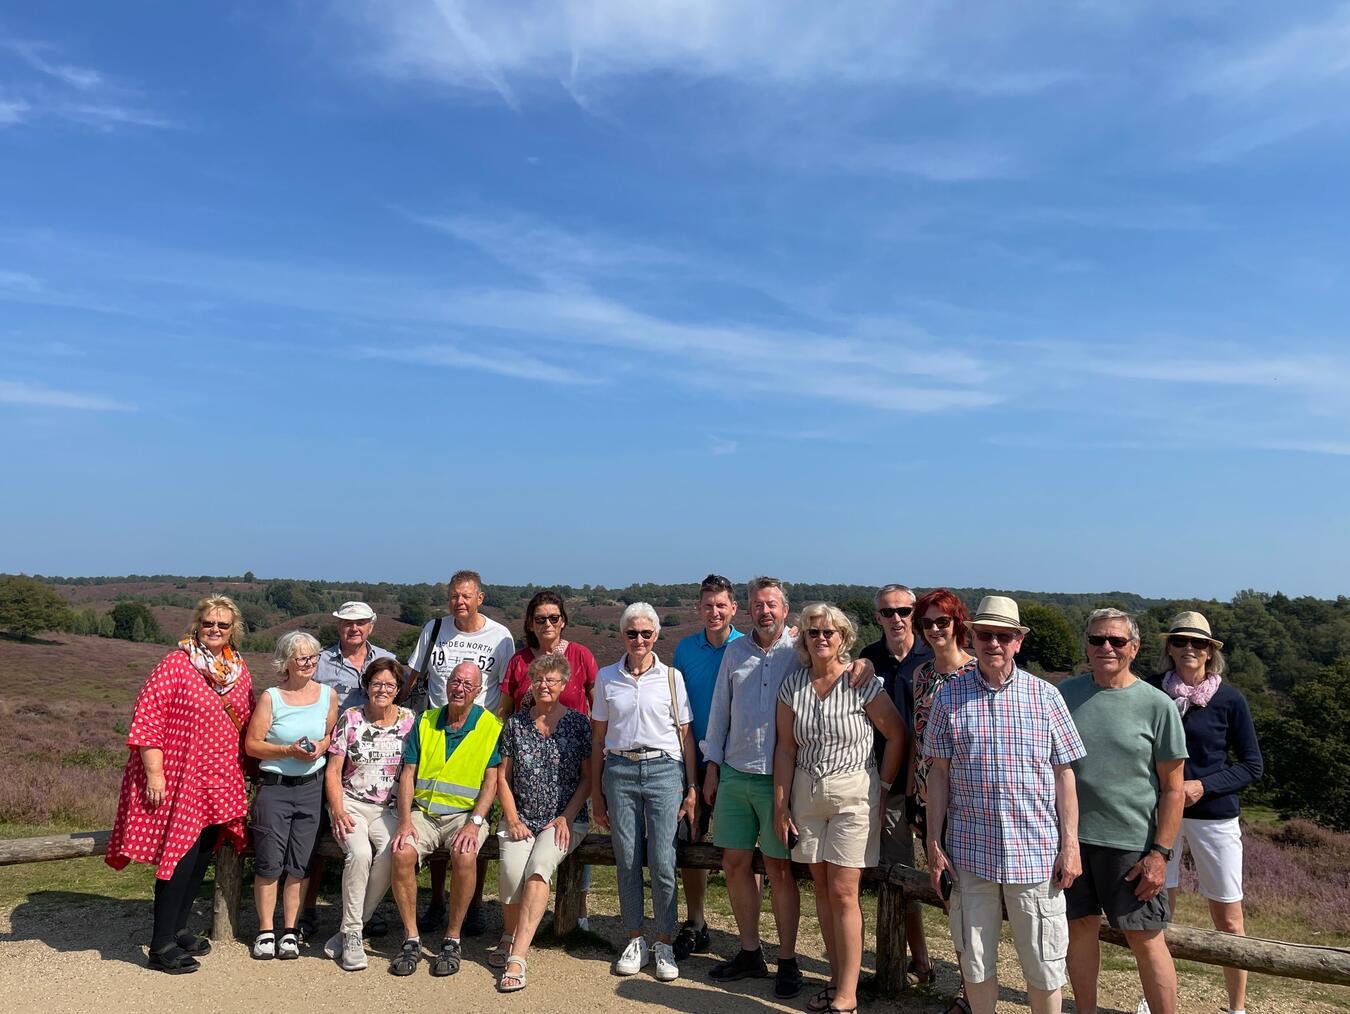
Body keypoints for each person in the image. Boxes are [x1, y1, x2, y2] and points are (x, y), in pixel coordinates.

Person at [924, 595, 1085, 1014]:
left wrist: (1071, 845)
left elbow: (1064, 775)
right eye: (985, 634)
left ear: (1017, 642)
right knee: (975, 962)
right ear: (972, 638)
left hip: (1035, 854)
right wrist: (933, 844)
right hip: (968, 852)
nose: (993, 643)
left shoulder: (1046, 697)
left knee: (1044, 965)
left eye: (1003, 636)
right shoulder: (948, 697)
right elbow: (938, 775)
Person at [107, 595, 256, 974]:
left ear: (233, 629)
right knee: (180, 857)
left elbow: (249, 721)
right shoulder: (175, 664)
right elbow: (147, 719)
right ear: (197, 624)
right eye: (209, 623)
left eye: (223, 625)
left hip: (220, 778)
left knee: (203, 854)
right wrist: (155, 773)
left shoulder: (238, 668)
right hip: (179, 777)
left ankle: (178, 927)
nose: (215, 630)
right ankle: (160, 945)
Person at [774, 602, 906, 1014]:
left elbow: (897, 735)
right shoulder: (792, 685)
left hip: (854, 792)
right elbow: (786, 748)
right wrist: (782, 806)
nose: (822, 638)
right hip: (806, 793)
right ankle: (836, 979)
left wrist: (882, 787)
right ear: (804, 639)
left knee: (845, 891)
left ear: (843, 637)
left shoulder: (862, 682)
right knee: (823, 891)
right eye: (814, 632)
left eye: (830, 632)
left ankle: (847, 995)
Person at [1060, 608, 1188, 1014]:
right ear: (1087, 645)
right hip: (1072, 839)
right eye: (1097, 639)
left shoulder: (1158, 705)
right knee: (1078, 931)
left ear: (1134, 648)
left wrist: (1159, 854)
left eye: (1116, 640)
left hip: (1131, 846)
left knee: (1147, 939)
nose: (1106, 648)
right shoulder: (1063, 695)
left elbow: (1173, 788)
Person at [1149, 611, 1262, 1014]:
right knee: (1158, 912)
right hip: (1162, 815)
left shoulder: (1230, 700)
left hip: (1214, 816)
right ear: (1170, 648)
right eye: (1180, 641)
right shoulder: (1151, 692)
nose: (1189, 649)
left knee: (1229, 918)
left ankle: (1237, 1007)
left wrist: (1202, 786)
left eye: (1198, 643)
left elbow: (1252, 765)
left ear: (1211, 651)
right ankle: (1157, 1002)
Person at [700, 575, 802, 997]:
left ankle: (789, 960)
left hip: (781, 779)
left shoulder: (800, 650)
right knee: (734, 865)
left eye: (772, 604)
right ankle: (749, 950)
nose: (765, 611)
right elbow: (720, 710)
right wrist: (712, 766)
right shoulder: (736, 652)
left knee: (779, 870)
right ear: (749, 609)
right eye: (758, 605)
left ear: (785, 609)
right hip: (736, 773)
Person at [591, 602, 699, 983]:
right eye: (631, 633)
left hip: (664, 770)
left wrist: (691, 787)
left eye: (646, 633)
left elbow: (686, 737)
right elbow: (599, 737)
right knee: (628, 857)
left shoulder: (672, 677)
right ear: (621, 635)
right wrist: (596, 792)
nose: (639, 639)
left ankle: (665, 941)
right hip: (618, 769)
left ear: (656, 635)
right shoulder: (606, 677)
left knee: (664, 858)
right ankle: (635, 938)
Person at [402, 569, 514, 936]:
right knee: (432, 808)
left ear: (480, 598)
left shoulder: (500, 637)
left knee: (472, 826)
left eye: (466, 596)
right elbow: (413, 677)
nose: (459, 602)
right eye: (453, 596)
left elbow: (506, 687)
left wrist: (492, 729)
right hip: (435, 730)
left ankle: (475, 905)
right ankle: (436, 901)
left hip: (479, 735)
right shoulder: (434, 630)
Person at [387, 660, 502, 977]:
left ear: (478, 691)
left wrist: (475, 822)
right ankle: (411, 938)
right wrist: (405, 821)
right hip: (423, 814)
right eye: (455, 681)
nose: (459, 688)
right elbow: (408, 774)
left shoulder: (490, 727)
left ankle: (452, 938)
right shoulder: (425, 721)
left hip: (465, 815)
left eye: (468, 684)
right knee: (401, 852)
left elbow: (491, 782)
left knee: (465, 855)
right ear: (446, 684)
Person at [493, 654, 593, 992]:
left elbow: (587, 779)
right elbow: (502, 778)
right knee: (510, 873)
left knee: (537, 868)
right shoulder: (515, 725)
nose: (544, 685)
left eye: (551, 680)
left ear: (564, 685)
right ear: (531, 684)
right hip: (520, 816)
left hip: (563, 821)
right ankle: (509, 934)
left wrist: (565, 816)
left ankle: (518, 957)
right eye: (538, 679)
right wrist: (511, 817)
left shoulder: (579, 724)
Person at [304, 600, 396, 938]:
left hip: (371, 768)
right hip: (326, 758)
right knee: (314, 838)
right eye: (346, 623)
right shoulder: (321, 662)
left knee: (375, 848)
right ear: (338, 626)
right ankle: (307, 910)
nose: (353, 629)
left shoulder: (385, 660)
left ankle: (362, 917)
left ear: (371, 625)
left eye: (360, 623)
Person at [244, 631, 338, 961]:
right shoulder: (272, 697)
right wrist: (287, 750)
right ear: (286, 661)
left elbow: (330, 735)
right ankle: (265, 930)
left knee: (300, 864)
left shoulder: (328, 695)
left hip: (312, 788)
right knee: (269, 862)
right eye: (302, 658)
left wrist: (320, 748)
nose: (309, 663)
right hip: (275, 787)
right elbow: (252, 745)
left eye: (314, 657)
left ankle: (290, 932)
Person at [321, 658, 416, 971]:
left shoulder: (409, 720)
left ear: (398, 689)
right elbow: (333, 771)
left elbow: (411, 772)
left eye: (389, 685)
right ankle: (352, 937)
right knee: (360, 854)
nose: (383, 690)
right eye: (377, 684)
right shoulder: (350, 718)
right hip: (350, 803)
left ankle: (351, 928)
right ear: (366, 686)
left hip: (388, 808)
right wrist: (336, 809)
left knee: (393, 853)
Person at [860, 582, 934, 985]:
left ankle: (969, 977)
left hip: (934, 787)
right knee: (898, 873)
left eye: (904, 611)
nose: (896, 619)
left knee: (950, 876)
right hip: (887, 785)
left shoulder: (935, 655)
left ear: (914, 614)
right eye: (887, 612)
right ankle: (917, 960)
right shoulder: (868, 659)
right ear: (878, 618)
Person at [669, 573, 743, 962]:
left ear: (733, 608)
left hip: (738, 762)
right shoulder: (684, 650)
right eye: (707, 605)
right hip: (692, 761)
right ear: (698, 609)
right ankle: (696, 923)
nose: (714, 612)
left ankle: (748, 932)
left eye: (721, 605)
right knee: (691, 837)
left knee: (744, 848)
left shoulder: (747, 648)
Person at [498, 589, 598, 716]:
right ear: (530, 624)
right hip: (524, 734)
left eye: (554, 618)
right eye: (540, 619)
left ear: (563, 622)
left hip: (573, 734)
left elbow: (598, 708)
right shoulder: (518, 661)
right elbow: (504, 710)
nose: (547, 624)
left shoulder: (581, 656)